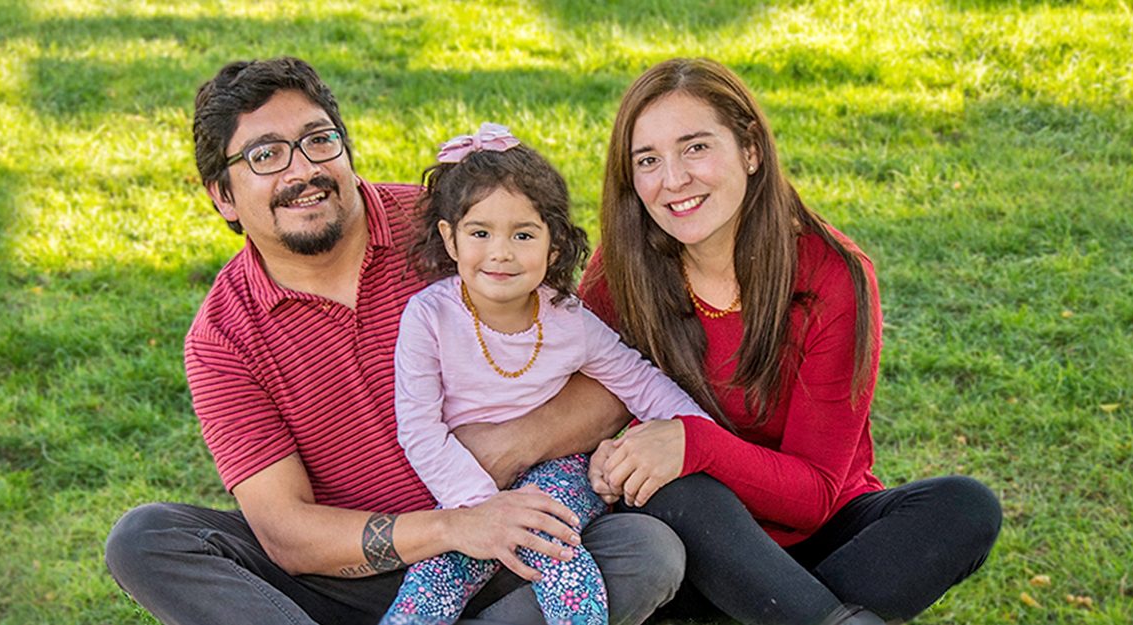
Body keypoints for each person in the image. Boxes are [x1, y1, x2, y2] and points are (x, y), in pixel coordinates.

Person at [102, 57, 685, 625]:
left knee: (645, 551)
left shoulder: (460, 229)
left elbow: (607, 372)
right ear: (223, 195)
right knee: (146, 540)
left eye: (318, 140)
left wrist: (508, 454)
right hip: (346, 575)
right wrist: (451, 527)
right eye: (265, 155)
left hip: (515, 535)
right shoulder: (224, 336)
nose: (302, 170)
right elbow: (286, 532)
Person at [579, 57, 1002, 625]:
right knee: (676, 488)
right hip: (694, 542)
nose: (672, 179)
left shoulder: (831, 276)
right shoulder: (620, 272)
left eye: (696, 147)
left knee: (964, 507)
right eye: (648, 160)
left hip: (821, 536)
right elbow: (580, 407)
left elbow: (816, 494)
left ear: (750, 149)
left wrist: (693, 442)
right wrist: (624, 457)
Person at [384, 125, 711, 625]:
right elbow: (420, 429)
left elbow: (637, 381)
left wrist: (698, 436)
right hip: (465, 486)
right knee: (431, 586)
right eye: (480, 233)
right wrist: (482, 510)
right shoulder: (429, 317)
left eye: (522, 234)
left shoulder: (567, 319)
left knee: (561, 559)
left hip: (559, 474)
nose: (500, 252)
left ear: (554, 246)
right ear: (450, 238)